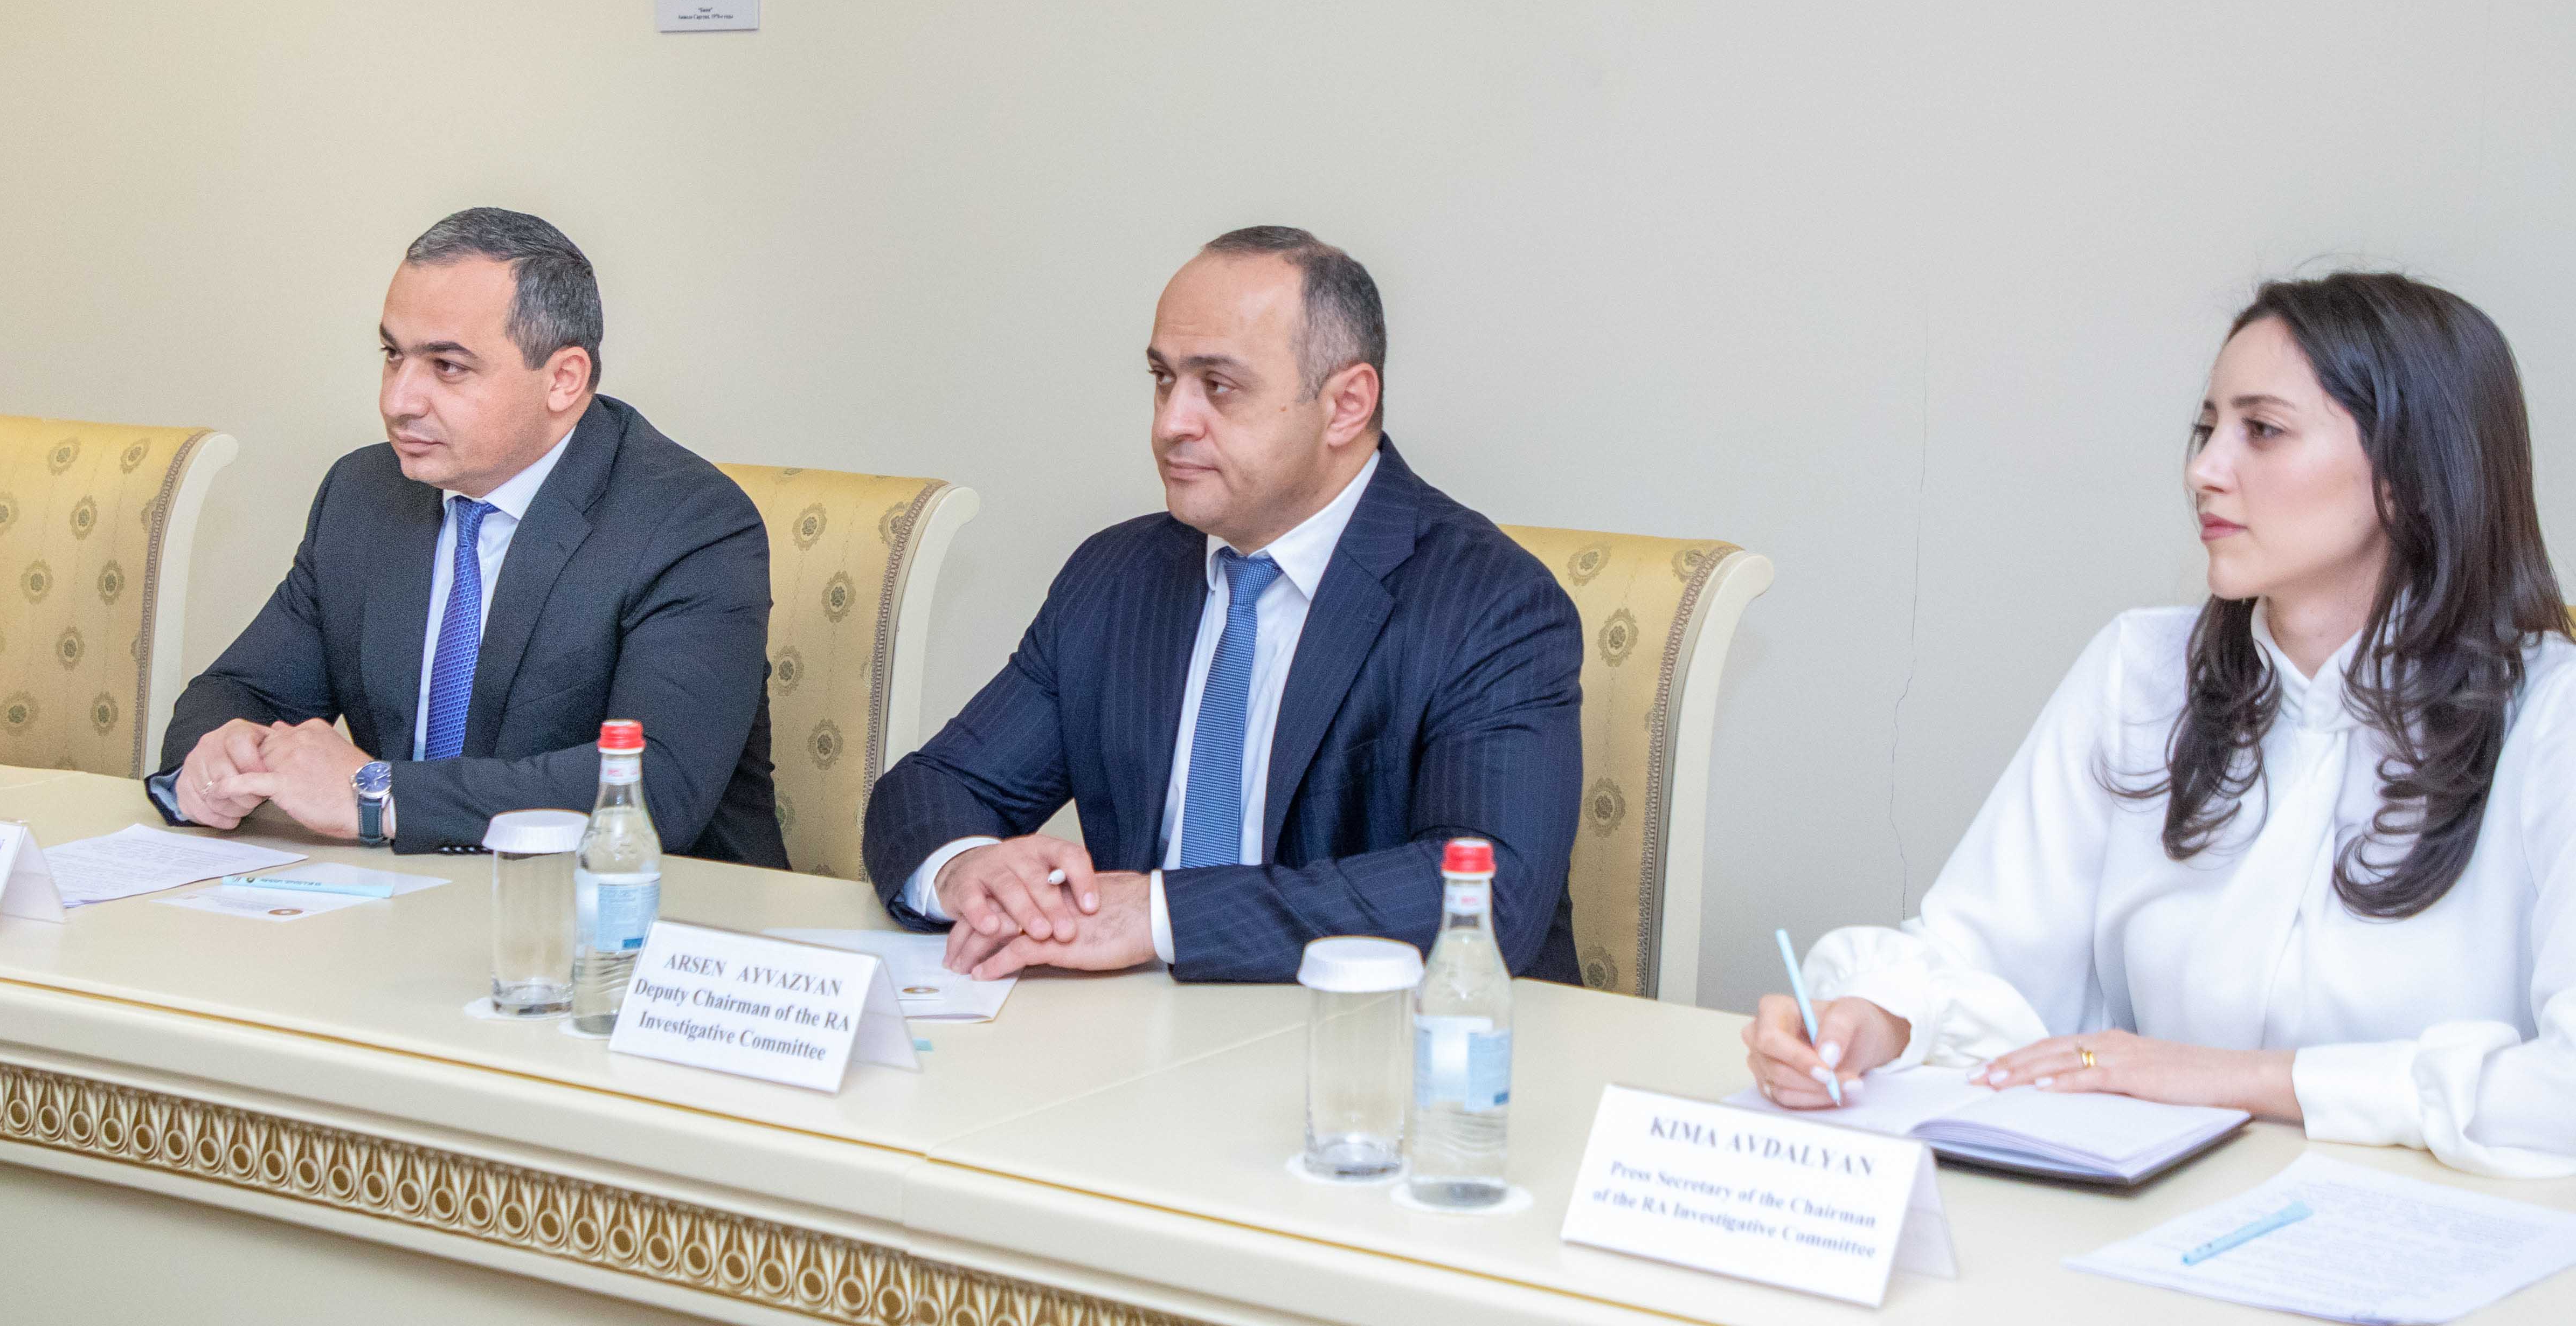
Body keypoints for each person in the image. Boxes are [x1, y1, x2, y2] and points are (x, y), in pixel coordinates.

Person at [1746, 271, 2576, 1176]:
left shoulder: (2574, 716)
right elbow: (1977, 946)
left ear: (2408, 474)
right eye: (2207, 429)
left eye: (2263, 431)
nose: (2205, 470)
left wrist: (2228, 1080)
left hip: (2447, 1248)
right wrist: (1873, 1021)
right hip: (2153, 1218)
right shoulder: (2141, 670)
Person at [864, 226, 1584, 983]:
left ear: (1346, 404)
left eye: (1218, 385)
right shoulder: (1116, 577)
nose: (1171, 423)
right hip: (1129, 1035)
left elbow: (1487, 894)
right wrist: (966, 868)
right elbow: (933, 789)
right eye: (1163, 378)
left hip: (1381, 1039)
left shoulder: (1491, 604)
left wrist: (1159, 915)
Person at [151, 208, 781, 861]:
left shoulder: (690, 524)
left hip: (644, 908)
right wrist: (219, 754)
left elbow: (655, 789)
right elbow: (242, 692)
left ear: (563, 380)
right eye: (393, 355)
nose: (398, 401)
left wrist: (380, 795)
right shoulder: (363, 495)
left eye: (447, 366)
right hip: (407, 901)